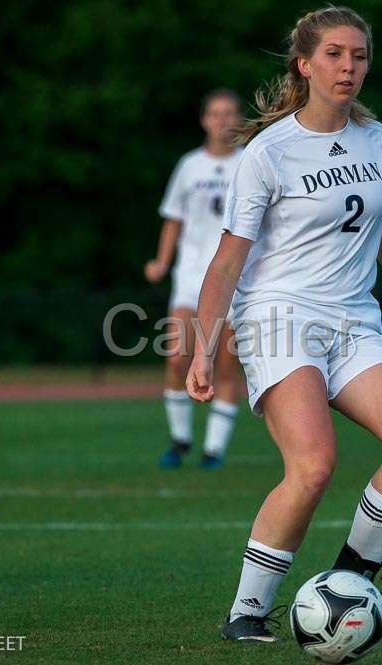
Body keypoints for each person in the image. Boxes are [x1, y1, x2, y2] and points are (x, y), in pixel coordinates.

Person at [184, 6, 382, 644]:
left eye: (359, 55)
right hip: (278, 317)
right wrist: (202, 349)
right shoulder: (268, 152)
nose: (349, 67)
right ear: (304, 65)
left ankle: (349, 590)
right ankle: (246, 612)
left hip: (353, 319)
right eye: (334, 54)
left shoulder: (380, 139)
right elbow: (228, 261)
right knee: (313, 464)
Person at [145, 90, 245, 469]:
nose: (223, 120)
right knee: (177, 356)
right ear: (204, 120)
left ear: (238, 119)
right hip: (190, 275)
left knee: (224, 362)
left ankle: (214, 450)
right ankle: (180, 439)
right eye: (215, 114)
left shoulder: (249, 164)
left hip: (233, 276)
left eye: (230, 113)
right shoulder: (190, 165)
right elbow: (173, 218)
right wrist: (161, 261)